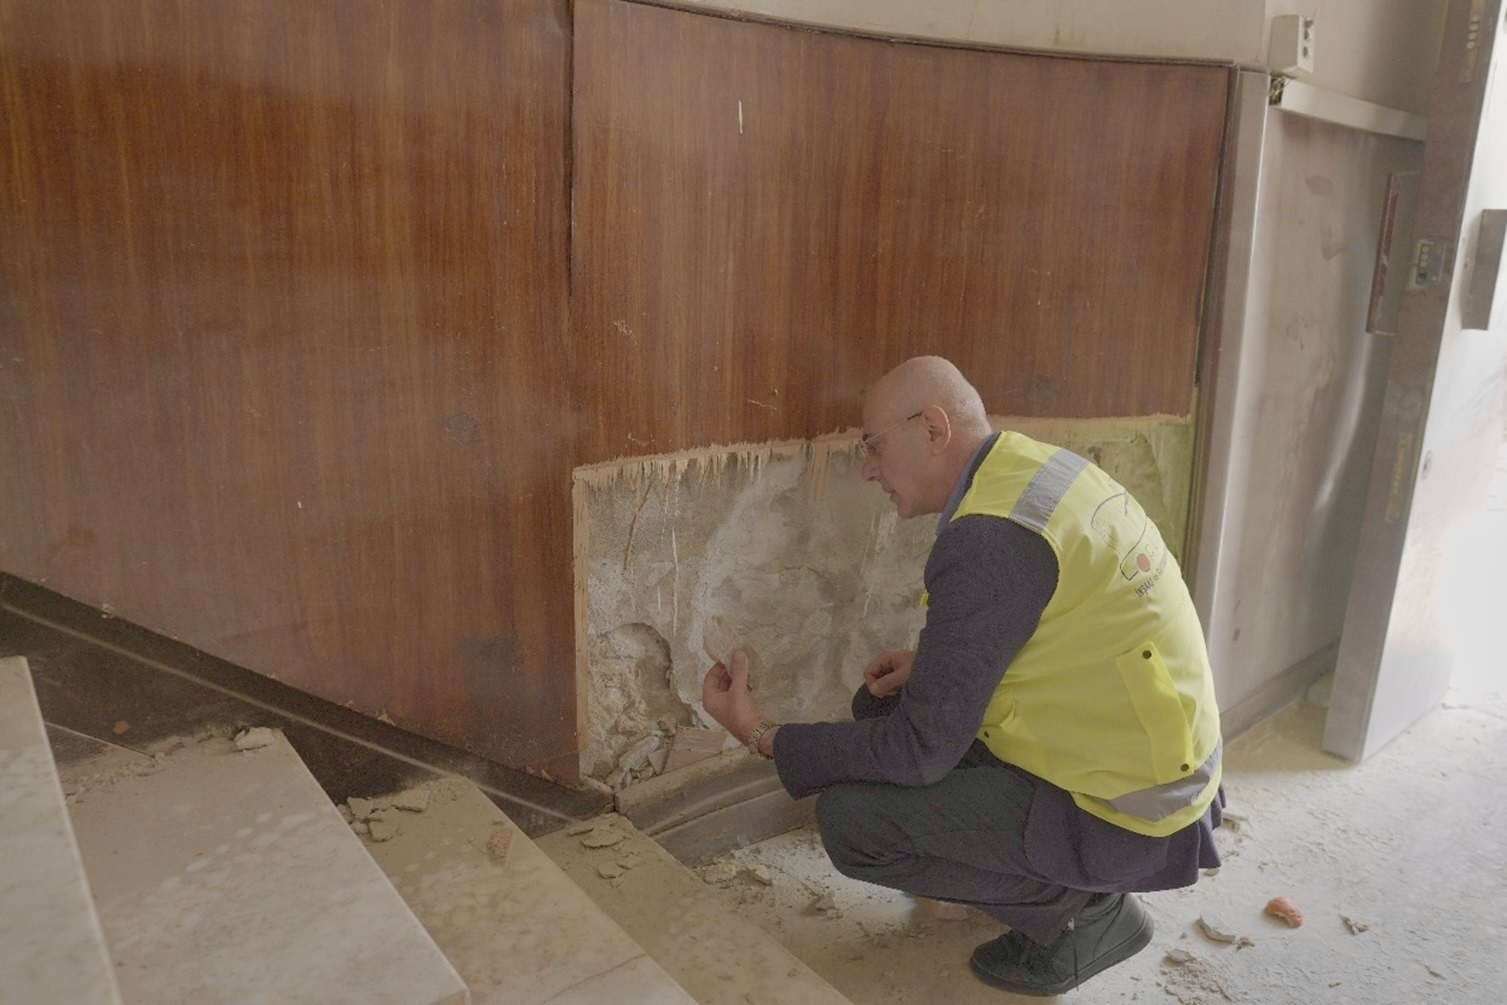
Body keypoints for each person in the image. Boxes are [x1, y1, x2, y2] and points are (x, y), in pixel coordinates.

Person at [702, 355, 1224, 996]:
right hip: (1148, 747)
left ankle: (1086, 912)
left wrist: (762, 735)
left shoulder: (990, 540)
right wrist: (938, 666)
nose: (868, 469)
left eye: (873, 446)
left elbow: (919, 751)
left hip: (1130, 803)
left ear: (933, 428)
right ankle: (1048, 881)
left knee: (851, 823)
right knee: (879, 705)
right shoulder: (1030, 473)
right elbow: (1065, 623)